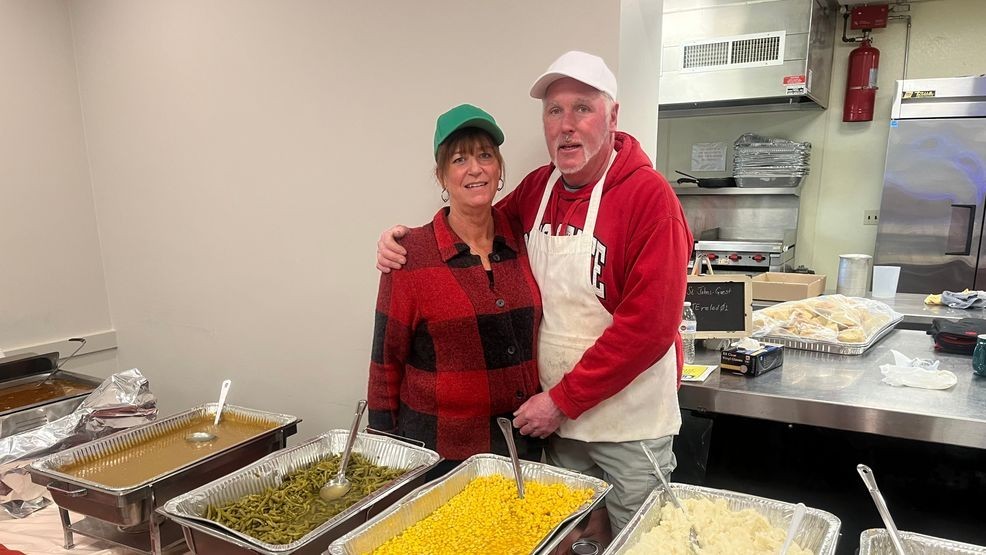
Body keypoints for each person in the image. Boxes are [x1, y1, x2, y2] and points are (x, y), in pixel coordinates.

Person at [377, 51, 692, 544]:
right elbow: (472, 221)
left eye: (582, 108)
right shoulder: (538, 190)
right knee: (571, 542)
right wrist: (405, 242)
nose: (567, 125)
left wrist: (562, 401)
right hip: (558, 431)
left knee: (640, 543)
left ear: (613, 116)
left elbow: (649, 329)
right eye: (554, 111)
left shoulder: (651, 201)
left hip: (627, 426)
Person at [366, 104, 544, 479]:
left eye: (485, 155)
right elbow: (385, 364)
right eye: (459, 159)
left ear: (499, 169)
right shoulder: (410, 254)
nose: (475, 168)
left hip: (518, 453)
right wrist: (381, 457)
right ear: (442, 176)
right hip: (438, 457)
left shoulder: (523, 238)